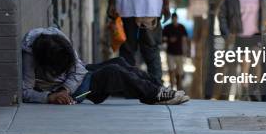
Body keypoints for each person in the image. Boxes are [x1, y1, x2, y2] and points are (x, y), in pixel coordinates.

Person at [22, 27, 189, 105]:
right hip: (74, 92)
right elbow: (25, 92)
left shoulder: (56, 36)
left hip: (74, 79)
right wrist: (51, 97)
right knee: (113, 72)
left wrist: (66, 87)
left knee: (120, 62)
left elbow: (78, 67)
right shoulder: (30, 55)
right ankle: (156, 94)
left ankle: (158, 89)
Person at [162, 13, 188, 90]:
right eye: (173, 18)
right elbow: (163, 38)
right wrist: (168, 39)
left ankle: (179, 86)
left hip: (179, 52)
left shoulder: (181, 27)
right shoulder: (167, 28)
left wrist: (185, 50)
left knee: (179, 71)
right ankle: (172, 85)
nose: (174, 20)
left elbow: (184, 39)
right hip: (170, 52)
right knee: (171, 69)